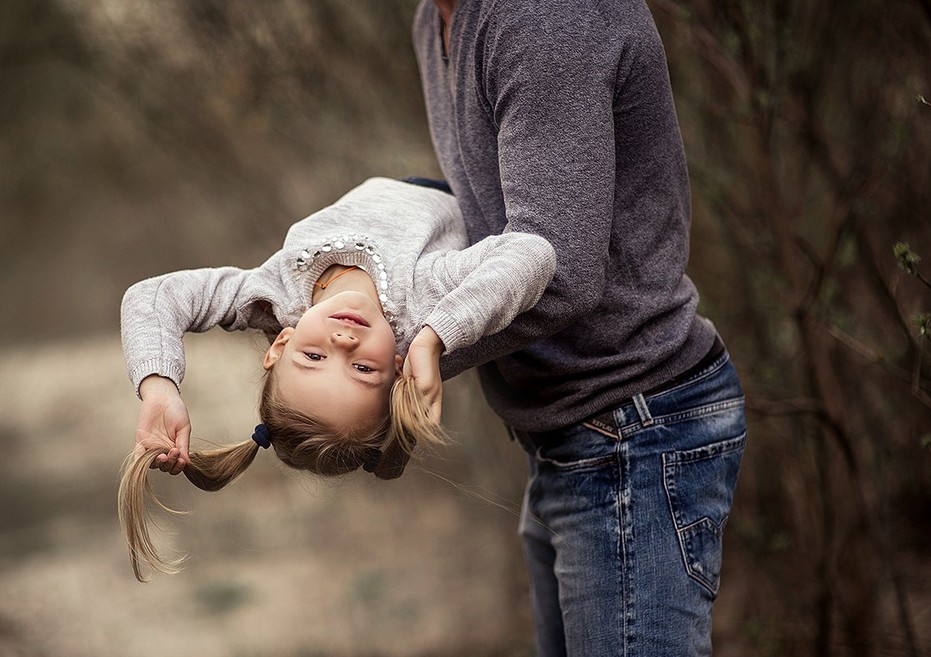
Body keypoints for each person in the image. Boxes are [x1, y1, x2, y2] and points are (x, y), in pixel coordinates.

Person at [411, 2, 748, 656]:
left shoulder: (543, 16)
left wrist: (400, 350)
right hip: (568, 431)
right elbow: (485, 219)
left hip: (635, 428)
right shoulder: (434, 17)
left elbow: (555, 266)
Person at [118, 176, 555, 581]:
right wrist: (436, 337)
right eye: (363, 370)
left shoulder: (273, 295)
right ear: (399, 370)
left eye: (311, 356)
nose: (343, 342)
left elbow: (152, 297)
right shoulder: (425, 299)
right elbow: (533, 253)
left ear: (280, 344)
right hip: (461, 183)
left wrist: (159, 385)